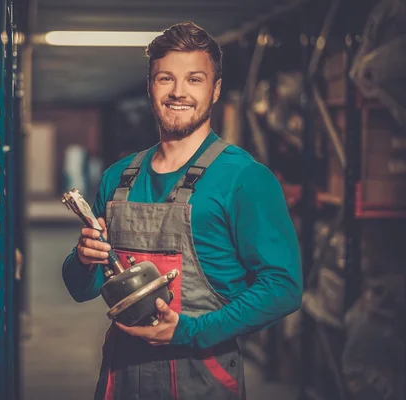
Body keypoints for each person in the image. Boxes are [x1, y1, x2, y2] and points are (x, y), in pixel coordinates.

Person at [62, 21, 303, 400]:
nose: (178, 92)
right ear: (149, 86)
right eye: (165, 79)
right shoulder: (117, 178)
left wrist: (191, 330)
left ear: (216, 89)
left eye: (194, 79)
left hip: (201, 380)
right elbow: (81, 289)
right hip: (120, 379)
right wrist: (83, 258)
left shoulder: (244, 179)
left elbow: (284, 287)